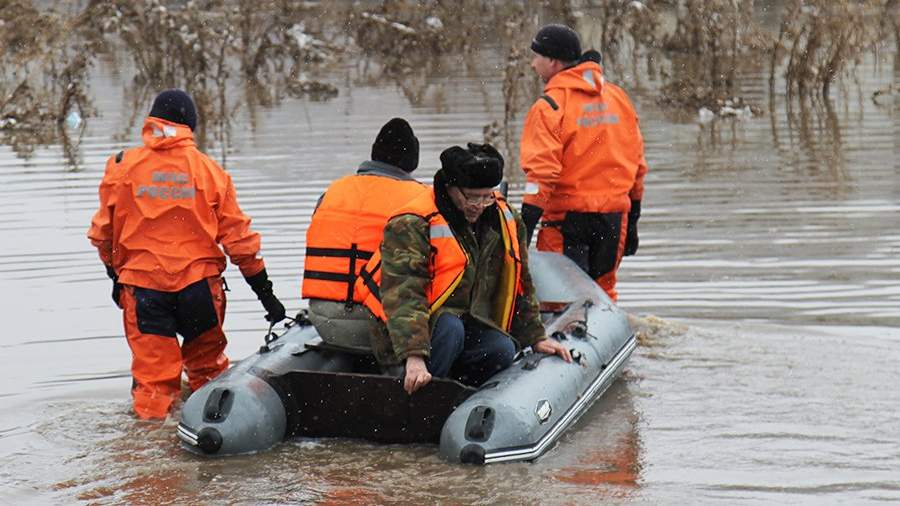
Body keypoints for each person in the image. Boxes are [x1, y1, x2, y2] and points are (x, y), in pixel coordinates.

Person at [87, 89, 286, 420]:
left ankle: (149, 454)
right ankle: (214, 433)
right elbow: (240, 241)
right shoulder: (209, 171)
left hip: (145, 290)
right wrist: (266, 296)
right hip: (200, 291)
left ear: (152, 120)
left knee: (153, 386)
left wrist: (115, 275)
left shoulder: (122, 167)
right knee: (208, 373)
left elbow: (102, 234)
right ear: (190, 125)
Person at [354, 143, 572, 394]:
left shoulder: (506, 218)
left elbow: (521, 280)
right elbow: (404, 293)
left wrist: (536, 337)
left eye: (486, 196)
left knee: (502, 348)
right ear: (450, 188)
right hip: (412, 333)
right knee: (450, 327)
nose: (478, 205)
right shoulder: (412, 223)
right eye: (471, 196)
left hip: (468, 322)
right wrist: (414, 356)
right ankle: (419, 394)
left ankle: (463, 396)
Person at [519, 24, 649, 302]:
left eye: (536, 57)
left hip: (567, 222)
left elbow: (541, 175)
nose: (532, 64)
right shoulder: (618, 98)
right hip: (614, 219)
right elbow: (638, 165)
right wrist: (633, 219)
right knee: (603, 295)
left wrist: (523, 232)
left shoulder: (550, 106)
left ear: (552, 61)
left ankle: (560, 344)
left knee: (560, 297)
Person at [301, 118, 428, 351]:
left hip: (323, 318)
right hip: (381, 325)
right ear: (412, 162)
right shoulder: (420, 200)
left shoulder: (332, 192)